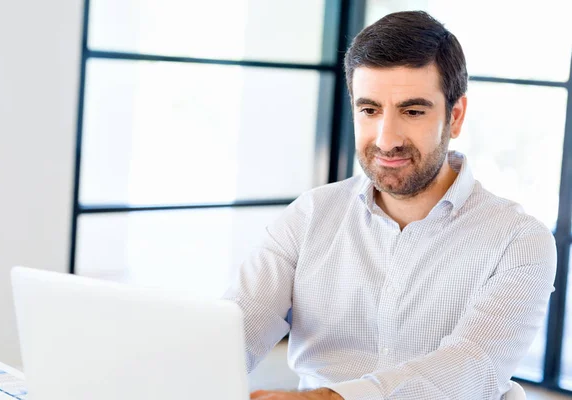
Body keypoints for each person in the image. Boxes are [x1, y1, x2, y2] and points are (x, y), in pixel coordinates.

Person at [224, 10, 556, 400]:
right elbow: (236, 329)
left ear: (456, 116)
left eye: (412, 111)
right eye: (369, 110)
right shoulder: (310, 215)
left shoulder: (518, 241)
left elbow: (472, 366)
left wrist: (333, 398)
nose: (387, 139)